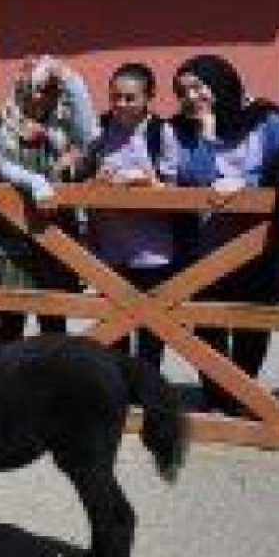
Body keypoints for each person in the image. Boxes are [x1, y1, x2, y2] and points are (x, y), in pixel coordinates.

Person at [169, 54, 279, 416]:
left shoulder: (268, 121)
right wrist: (206, 132)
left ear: (220, 83)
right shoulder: (184, 128)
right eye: (182, 91)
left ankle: (242, 397)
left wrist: (247, 185)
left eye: (197, 87)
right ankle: (216, 397)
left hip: (260, 245)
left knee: (252, 322)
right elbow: (193, 179)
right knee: (206, 323)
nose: (190, 97)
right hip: (205, 246)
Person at [0, 55, 95, 343]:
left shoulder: (64, 123)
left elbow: (86, 134)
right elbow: (2, 164)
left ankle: (52, 382)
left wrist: (66, 76)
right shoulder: (2, 117)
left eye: (47, 90)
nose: (39, 96)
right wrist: (35, 181)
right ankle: (5, 383)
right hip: (12, 229)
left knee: (53, 319)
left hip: (54, 229)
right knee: (10, 320)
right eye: (34, 89)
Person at [76, 63, 180, 371]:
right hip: (108, 246)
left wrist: (148, 183)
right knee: (113, 327)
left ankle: (147, 393)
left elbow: (174, 188)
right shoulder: (99, 130)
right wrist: (96, 180)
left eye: (129, 98)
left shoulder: (163, 133)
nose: (120, 104)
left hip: (154, 250)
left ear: (149, 97)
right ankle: (118, 392)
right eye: (115, 97)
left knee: (151, 331)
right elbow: (79, 177)